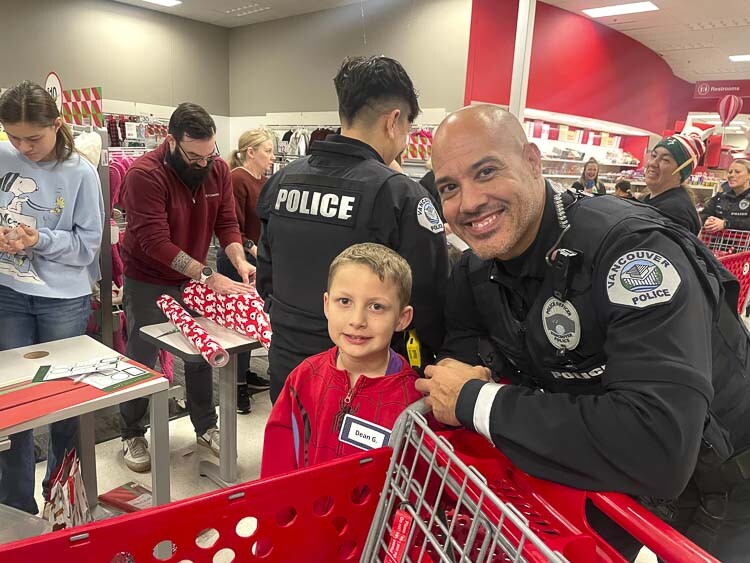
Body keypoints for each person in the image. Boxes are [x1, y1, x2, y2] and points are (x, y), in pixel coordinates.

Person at [417, 104, 750, 561]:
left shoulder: (633, 252)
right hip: (606, 479)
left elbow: (659, 446)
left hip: (725, 485)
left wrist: (478, 400)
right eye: (449, 187)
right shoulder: (477, 272)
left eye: (487, 171)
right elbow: (460, 362)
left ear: (533, 162)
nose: (469, 202)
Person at [257, 56, 449, 403]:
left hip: (288, 367)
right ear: (394, 121)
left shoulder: (282, 181)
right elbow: (430, 300)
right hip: (364, 380)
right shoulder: (401, 195)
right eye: (408, 127)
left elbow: (265, 278)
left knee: (294, 451)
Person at [119, 102, 255, 472]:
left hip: (193, 278)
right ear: (171, 142)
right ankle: (131, 431)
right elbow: (154, 242)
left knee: (202, 352)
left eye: (208, 154)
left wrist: (240, 259)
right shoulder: (144, 174)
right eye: (194, 156)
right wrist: (208, 274)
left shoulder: (218, 170)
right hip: (148, 279)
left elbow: (227, 222)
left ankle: (205, 426)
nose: (202, 163)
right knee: (142, 357)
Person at [0, 81, 104, 514]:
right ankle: (16, 509)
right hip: (8, 293)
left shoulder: (80, 172)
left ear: (56, 125)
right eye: (13, 135)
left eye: (34, 137)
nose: (24, 146)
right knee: (13, 404)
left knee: (63, 404)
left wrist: (38, 239)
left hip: (62, 299)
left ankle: (60, 502)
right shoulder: (3, 156)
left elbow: (87, 246)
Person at [261, 243, 422, 477]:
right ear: (327, 304)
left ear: (402, 318)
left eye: (376, 306)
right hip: (305, 509)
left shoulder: (412, 400)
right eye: (345, 302)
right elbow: (277, 458)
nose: (357, 320)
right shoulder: (304, 377)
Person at [222, 129, 276, 414]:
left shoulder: (264, 182)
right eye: (267, 150)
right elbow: (232, 226)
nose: (272, 156)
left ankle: (245, 374)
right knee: (238, 324)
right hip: (237, 261)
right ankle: (237, 385)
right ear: (251, 152)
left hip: (257, 260)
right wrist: (254, 250)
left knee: (253, 321)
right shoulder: (237, 179)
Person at [641, 134, 703, 235]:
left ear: (681, 172)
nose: (653, 163)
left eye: (665, 160)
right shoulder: (647, 198)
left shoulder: (675, 212)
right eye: (654, 156)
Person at [700, 158, 750, 232]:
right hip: (717, 242)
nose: (731, 175)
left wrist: (726, 224)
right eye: (730, 172)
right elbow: (703, 215)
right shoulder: (720, 197)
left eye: (737, 172)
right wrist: (707, 221)